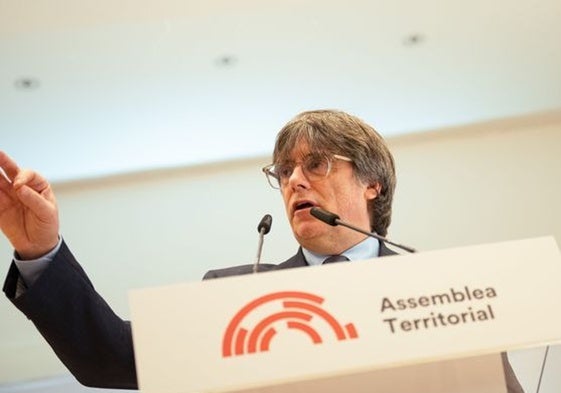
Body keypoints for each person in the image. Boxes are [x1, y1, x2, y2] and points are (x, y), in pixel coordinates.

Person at [1, 110, 523, 392]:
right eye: (284, 172)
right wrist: (41, 249)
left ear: (373, 185)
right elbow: (108, 359)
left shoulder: (445, 290)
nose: (294, 180)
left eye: (316, 164)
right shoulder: (237, 296)